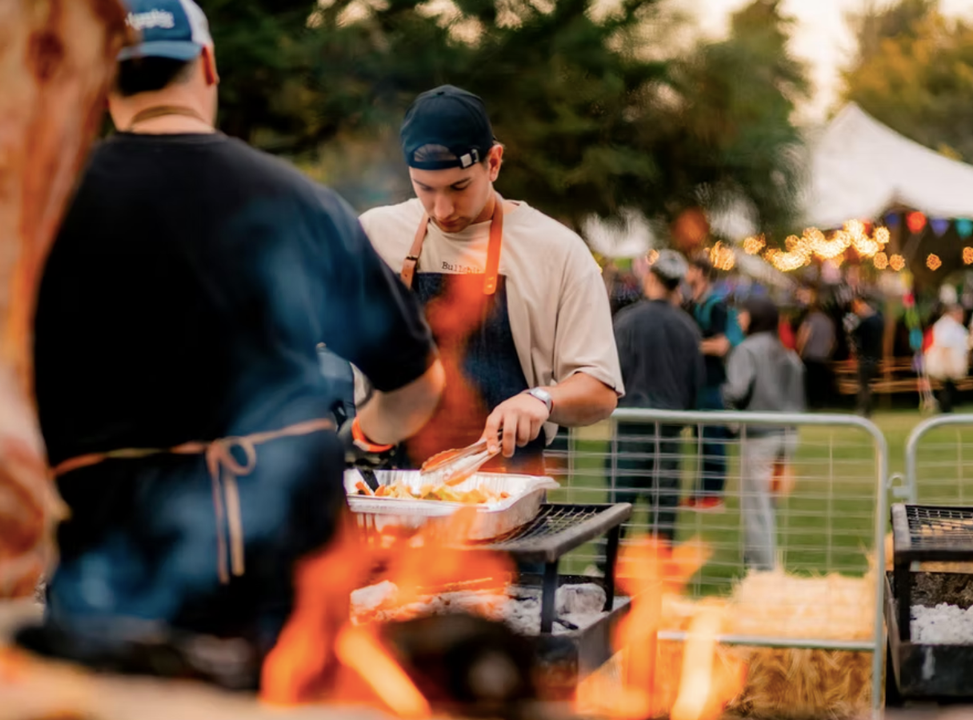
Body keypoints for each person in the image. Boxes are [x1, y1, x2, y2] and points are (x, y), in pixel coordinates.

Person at [32, 0, 444, 668]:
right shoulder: (299, 204)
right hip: (276, 586)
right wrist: (356, 438)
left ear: (101, 77)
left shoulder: (42, 209)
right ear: (207, 64)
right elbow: (417, 384)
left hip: (107, 581)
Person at [357, 85, 622, 475]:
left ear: (493, 162)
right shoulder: (373, 236)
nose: (442, 209)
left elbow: (600, 390)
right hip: (390, 484)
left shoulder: (557, 251)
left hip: (507, 487)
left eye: (459, 187)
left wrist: (541, 399)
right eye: (425, 189)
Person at [608, 250, 703, 542]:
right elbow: (696, 382)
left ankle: (605, 574)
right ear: (677, 285)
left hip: (631, 425)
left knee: (617, 510)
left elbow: (613, 372)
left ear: (650, 279)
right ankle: (659, 579)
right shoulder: (688, 327)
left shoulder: (627, 321)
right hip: (670, 429)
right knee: (664, 513)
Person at [722, 297, 805, 572]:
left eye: (743, 313)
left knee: (757, 506)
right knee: (770, 504)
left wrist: (725, 403)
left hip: (759, 435)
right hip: (788, 435)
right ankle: (758, 562)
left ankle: (763, 570)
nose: (739, 318)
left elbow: (737, 389)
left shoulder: (747, 350)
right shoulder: (785, 351)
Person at [683, 255, 730, 511]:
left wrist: (691, 347)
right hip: (698, 382)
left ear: (701, 272)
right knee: (701, 439)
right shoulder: (695, 303)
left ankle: (713, 495)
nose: (686, 273)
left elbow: (722, 346)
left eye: (690, 268)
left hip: (712, 383)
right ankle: (701, 492)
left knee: (712, 438)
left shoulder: (716, 305)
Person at [926, 304, 970, 414]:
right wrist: (946, 364)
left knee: (948, 385)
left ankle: (948, 407)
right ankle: (945, 408)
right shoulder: (947, 325)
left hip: (950, 359)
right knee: (946, 386)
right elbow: (944, 345)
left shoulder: (952, 325)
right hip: (947, 360)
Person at [797, 295, 836, 410]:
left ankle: (810, 404)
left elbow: (804, 336)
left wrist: (799, 352)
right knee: (821, 383)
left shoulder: (811, 318)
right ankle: (821, 404)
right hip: (823, 357)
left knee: (810, 382)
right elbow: (832, 341)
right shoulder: (829, 321)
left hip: (810, 355)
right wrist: (828, 353)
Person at [848, 295, 884, 418]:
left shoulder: (864, 323)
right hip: (875, 356)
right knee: (866, 384)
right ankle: (866, 409)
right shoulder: (879, 320)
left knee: (863, 385)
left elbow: (855, 338)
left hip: (865, 357)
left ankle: (864, 409)